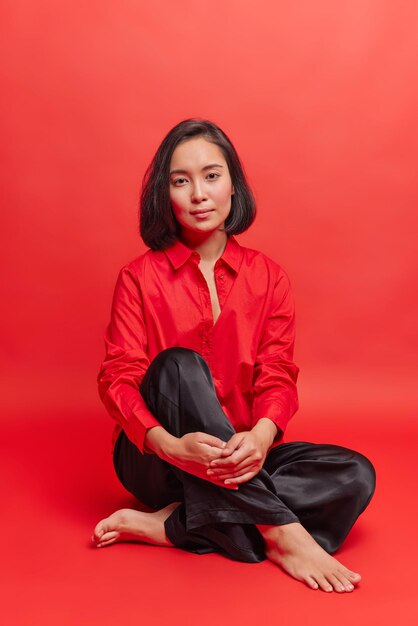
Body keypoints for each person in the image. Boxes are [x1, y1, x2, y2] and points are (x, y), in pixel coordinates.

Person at [92, 119, 375, 593]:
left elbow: (278, 375)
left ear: (233, 187)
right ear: (165, 195)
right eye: (181, 181)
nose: (198, 194)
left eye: (211, 176)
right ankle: (280, 532)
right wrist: (169, 444)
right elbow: (118, 377)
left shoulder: (269, 277)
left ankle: (174, 525)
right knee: (177, 365)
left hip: (243, 458)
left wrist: (262, 437)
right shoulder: (138, 277)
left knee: (355, 473)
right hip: (162, 460)